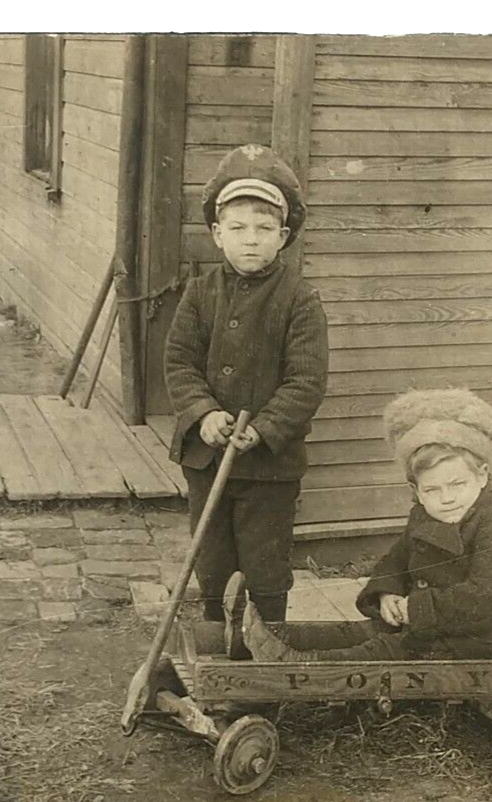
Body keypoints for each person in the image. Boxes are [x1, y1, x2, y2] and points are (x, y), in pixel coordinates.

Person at [241, 388, 492, 661]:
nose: (447, 498)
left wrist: (418, 608)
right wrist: (387, 593)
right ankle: (273, 636)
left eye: (457, 484)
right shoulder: (425, 514)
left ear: (482, 475)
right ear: (416, 490)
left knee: (388, 648)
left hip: (491, 636)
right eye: (432, 490)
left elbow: (488, 597)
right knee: (360, 631)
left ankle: (299, 665)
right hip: (439, 623)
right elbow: (396, 560)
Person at [164, 144, 329, 626]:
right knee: (211, 558)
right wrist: (204, 413)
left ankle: (266, 650)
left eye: (263, 229)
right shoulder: (199, 293)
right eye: (237, 228)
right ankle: (217, 643)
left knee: (265, 565)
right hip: (207, 457)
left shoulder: (300, 299)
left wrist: (263, 428)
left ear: (284, 235)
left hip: (269, 468)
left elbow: (307, 380)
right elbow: (178, 362)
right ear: (217, 235)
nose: (250, 240)